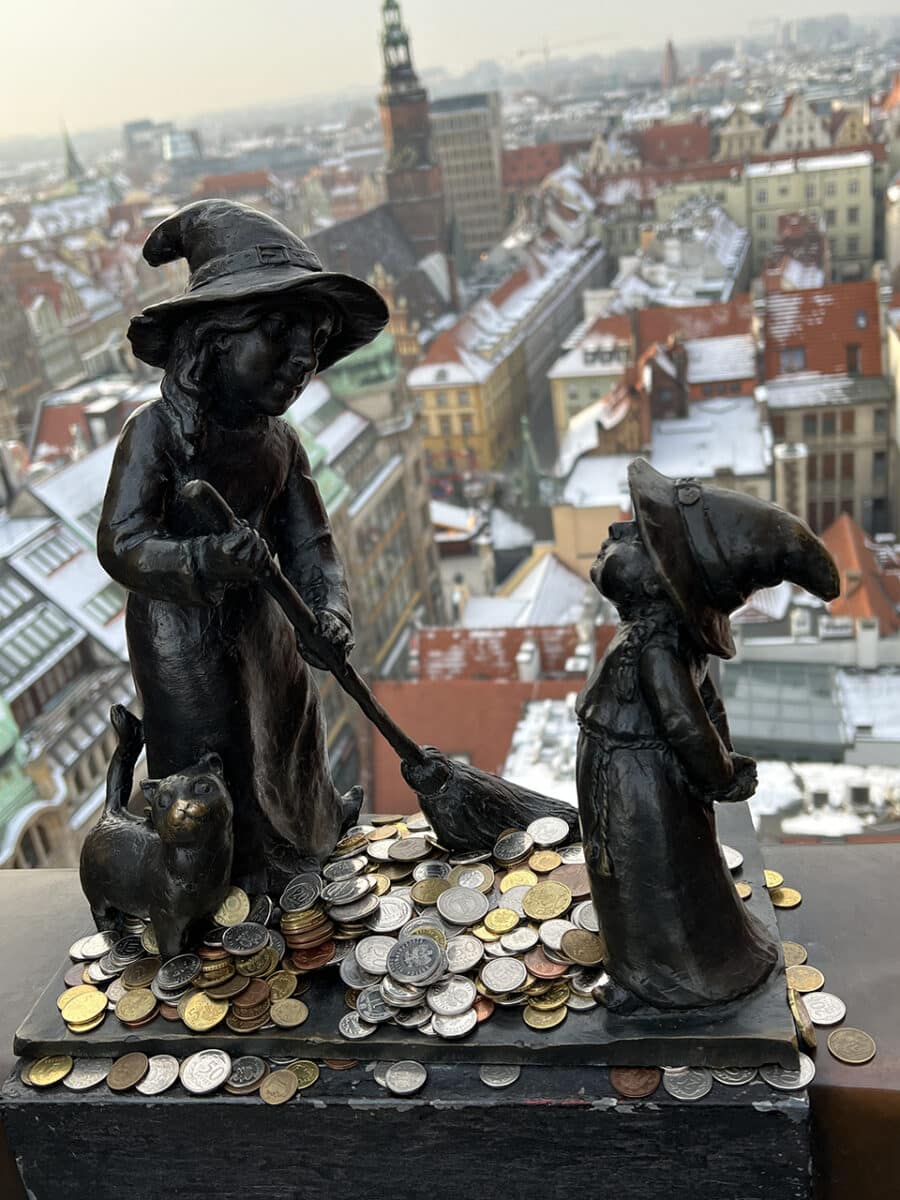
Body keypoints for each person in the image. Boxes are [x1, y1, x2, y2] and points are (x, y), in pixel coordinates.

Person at [98, 199, 389, 891]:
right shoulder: (157, 433)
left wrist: (330, 611)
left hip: (267, 625)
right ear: (213, 339)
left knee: (287, 739)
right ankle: (229, 891)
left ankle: (308, 836)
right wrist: (201, 561)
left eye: (315, 346)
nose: (302, 362)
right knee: (215, 760)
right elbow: (122, 543)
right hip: (185, 640)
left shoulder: (281, 443)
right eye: (280, 338)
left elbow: (311, 546)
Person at [576, 459, 839, 1010]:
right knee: (628, 875)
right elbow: (707, 710)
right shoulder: (657, 638)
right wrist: (720, 760)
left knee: (647, 875)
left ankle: (662, 977)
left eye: (643, 537)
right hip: (623, 776)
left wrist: (719, 771)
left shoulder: (656, 649)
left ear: (665, 578)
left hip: (640, 785)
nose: (619, 532)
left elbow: (686, 724)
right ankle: (639, 969)